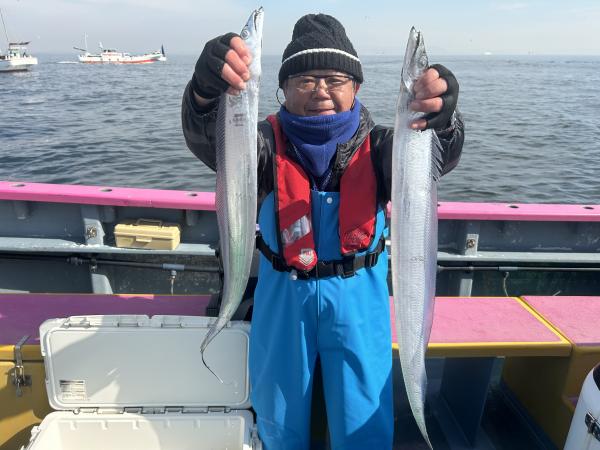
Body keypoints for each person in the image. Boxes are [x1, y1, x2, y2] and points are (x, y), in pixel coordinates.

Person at [182, 13, 464, 450]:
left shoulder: (386, 146)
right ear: (282, 88)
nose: (320, 91)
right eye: (304, 80)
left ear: (356, 88)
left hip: (360, 304)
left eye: (334, 79)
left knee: (365, 424)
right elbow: (210, 139)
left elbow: (435, 157)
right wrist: (203, 94)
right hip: (282, 301)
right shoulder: (260, 143)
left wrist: (441, 120)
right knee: (277, 419)